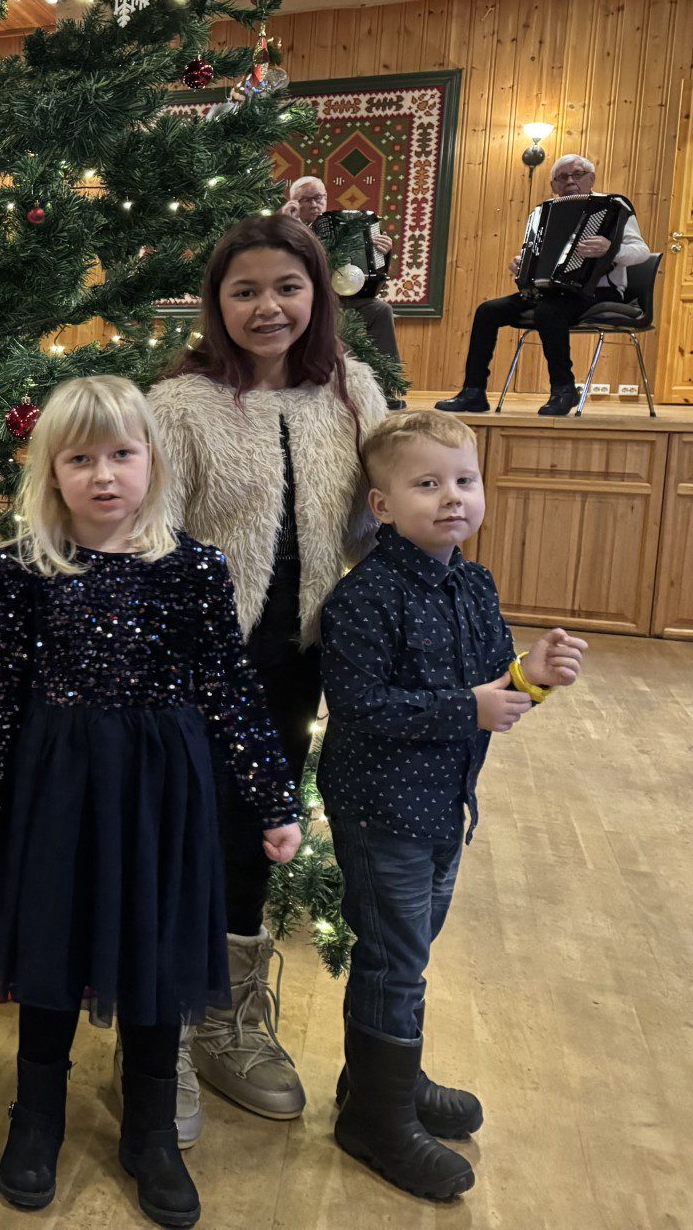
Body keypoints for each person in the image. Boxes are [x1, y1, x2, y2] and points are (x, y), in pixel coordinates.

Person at [0, 375, 301, 1222]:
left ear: (152, 462)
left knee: (155, 952)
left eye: (122, 455)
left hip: (161, 795)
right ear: (50, 472)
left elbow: (229, 689)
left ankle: (148, 1130)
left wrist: (274, 800)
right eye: (81, 459)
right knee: (51, 951)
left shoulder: (194, 569)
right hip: (57, 788)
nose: (104, 475)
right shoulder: (23, 571)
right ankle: (35, 1119)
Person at [147, 214, 387, 1139]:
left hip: (300, 664)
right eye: (243, 290)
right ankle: (160, 1023)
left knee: (258, 832)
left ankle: (228, 1017)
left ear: (318, 294)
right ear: (216, 304)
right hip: (198, 664)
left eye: (286, 287)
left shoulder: (352, 393)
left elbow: (389, 501)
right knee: (182, 833)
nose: (267, 307)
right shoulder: (180, 406)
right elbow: (151, 538)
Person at [319, 410, 586, 1200]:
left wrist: (530, 676)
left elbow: (494, 689)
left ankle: (378, 1084)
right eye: (427, 484)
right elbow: (361, 703)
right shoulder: (366, 596)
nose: (451, 499)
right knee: (395, 959)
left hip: (444, 807)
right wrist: (468, 708)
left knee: (410, 954)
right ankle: (374, 1119)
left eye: (464, 481)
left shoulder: (473, 583)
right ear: (381, 504)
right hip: (382, 812)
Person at [436, 154, 651, 417]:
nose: (570, 181)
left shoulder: (613, 207)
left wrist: (611, 250)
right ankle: (473, 392)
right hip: (550, 291)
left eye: (578, 174)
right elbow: (536, 254)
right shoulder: (544, 213)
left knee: (549, 311)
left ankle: (563, 389)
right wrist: (522, 263)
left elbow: (641, 251)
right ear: (553, 186)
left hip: (597, 290)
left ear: (592, 179)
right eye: (562, 177)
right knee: (487, 310)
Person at [283, 175, 407, 410]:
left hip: (348, 298)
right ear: (294, 203)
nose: (314, 204)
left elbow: (370, 272)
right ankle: (330, 390)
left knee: (380, 310)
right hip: (312, 302)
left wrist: (383, 251)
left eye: (318, 198)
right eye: (306, 200)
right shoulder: (289, 230)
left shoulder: (344, 226)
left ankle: (386, 389)